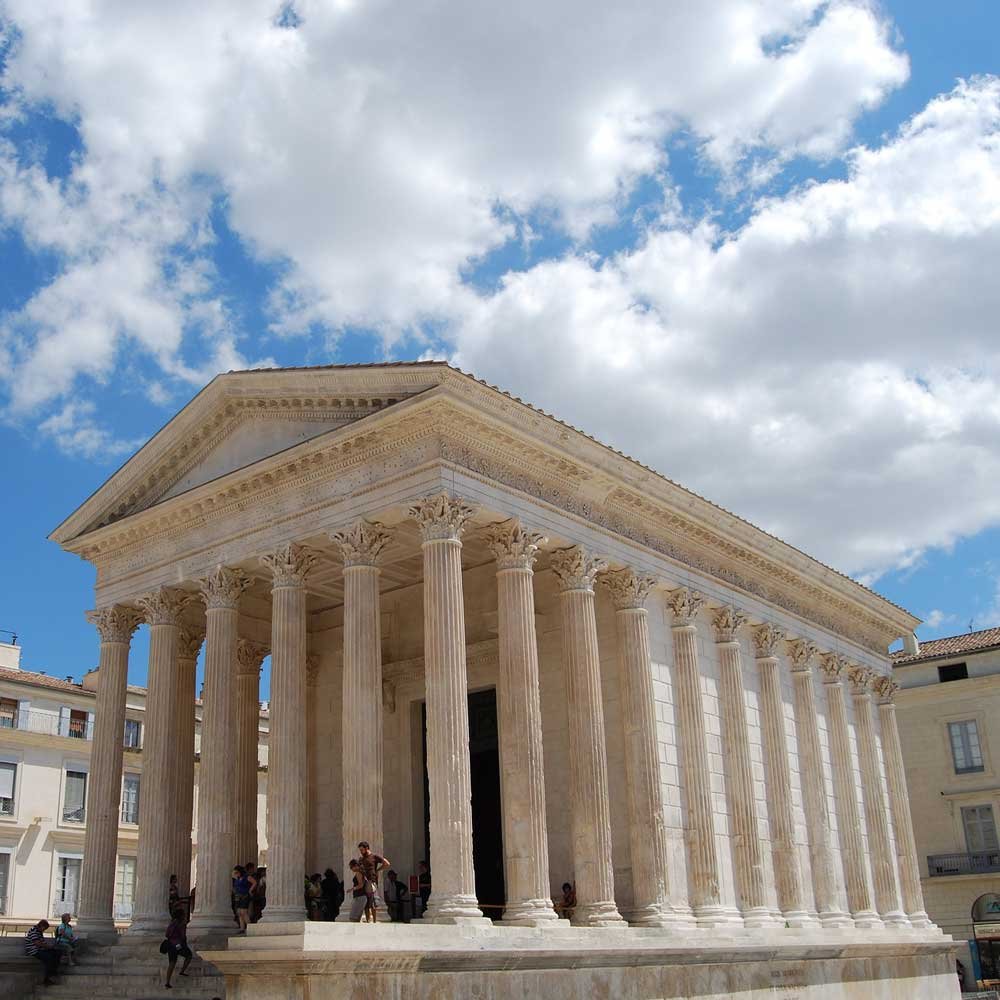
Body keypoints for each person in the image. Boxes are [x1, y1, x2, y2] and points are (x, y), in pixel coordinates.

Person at [357, 842, 388, 923]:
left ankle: (374, 921)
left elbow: (387, 863)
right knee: (366, 903)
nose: (361, 852)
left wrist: (378, 870)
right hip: (364, 881)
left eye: (362, 850)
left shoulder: (374, 857)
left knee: (373, 901)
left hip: (371, 881)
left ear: (367, 848)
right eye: (360, 850)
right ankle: (368, 920)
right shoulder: (361, 859)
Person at [162, 908, 193, 988]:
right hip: (178, 945)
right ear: (182, 916)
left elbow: (167, 934)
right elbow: (183, 936)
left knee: (172, 963)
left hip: (171, 945)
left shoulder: (172, 923)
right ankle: (182, 971)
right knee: (189, 955)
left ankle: (167, 982)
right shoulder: (181, 924)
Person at [24, 919, 60, 985]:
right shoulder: (33, 931)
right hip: (34, 951)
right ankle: (47, 978)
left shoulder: (39, 932)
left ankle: (53, 972)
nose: (44, 930)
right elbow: (37, 943)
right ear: (42, 926)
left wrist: (50, 947)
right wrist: (48, 947)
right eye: (44, 928)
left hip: (41, 949)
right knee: (49, 958)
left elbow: (42, 942)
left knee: (57, 953)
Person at [232, 865, 252, 933]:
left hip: (245, 895)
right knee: (239, 913)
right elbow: (235, 887)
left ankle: (250, 927)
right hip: (238, 896)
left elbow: (254, 882)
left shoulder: (247, 877)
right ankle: (242, 928)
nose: (236, 874)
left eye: (237, 872)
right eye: (235, 873)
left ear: (240, 871)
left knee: (244, 912)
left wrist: (250, 890)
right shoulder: (237, 879)